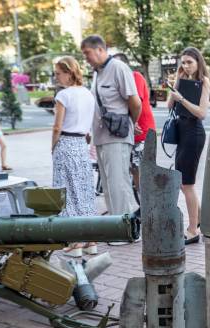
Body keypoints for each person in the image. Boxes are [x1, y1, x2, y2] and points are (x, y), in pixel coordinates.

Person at [81, 35, 142, 242]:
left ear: (99, 50)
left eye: (87, 53)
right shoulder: (97, 73)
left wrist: (130, 124)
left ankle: (126, 231)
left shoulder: (118, 68)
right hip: (101, 136)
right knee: (107, 185)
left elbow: (135, 102)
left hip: (117, 135)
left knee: (119, 183)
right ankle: (116, 227)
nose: (86, 58)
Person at [51, 56, 97, 257]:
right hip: (81, 144)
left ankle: (75, 242)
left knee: (68, 192)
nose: (56, 78)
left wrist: (52, 147)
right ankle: (91, 240)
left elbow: (57, 126)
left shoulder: (64, 95)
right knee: (85, 191)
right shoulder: (88, 94)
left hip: (66, 143)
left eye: (58, 73)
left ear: (68, 73)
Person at [167, 47, 210, 245]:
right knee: (184, 182)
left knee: (187, 183)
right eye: (183, 62)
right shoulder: (182, 80)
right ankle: (201, 219)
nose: (186, 66)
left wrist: (182, 99)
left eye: (189, 62)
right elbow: (170, 105)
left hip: (194, 133)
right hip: (182, 132)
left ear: (198, 62)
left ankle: (193, 230)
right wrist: (176, 85)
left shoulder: (204, 82)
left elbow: (201, 113)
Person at [113, 53, 156, 211]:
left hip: (142, 131)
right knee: (134, 169)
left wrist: (132, 122)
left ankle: (148, 207)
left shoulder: (135, 76)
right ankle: (144, 206)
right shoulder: (118, 81)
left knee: (141, 170)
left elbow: (135, 101)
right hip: (131, 131)